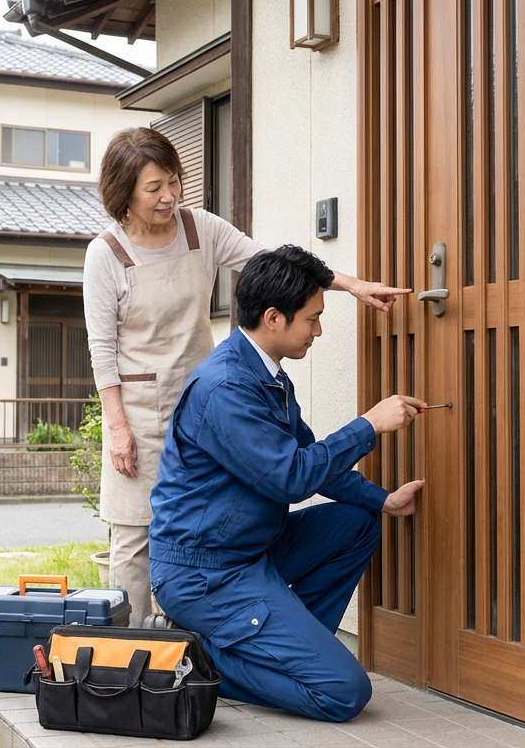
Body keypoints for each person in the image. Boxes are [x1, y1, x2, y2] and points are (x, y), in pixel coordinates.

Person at [83, 127, 408, 626]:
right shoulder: (105, 254)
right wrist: (118, 426)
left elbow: (271, 265)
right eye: (154, 187)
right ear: (124, 191)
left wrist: (352, 285)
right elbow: (101, 347)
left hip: (209, 402)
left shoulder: (200, 228)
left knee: (216, 522)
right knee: (134, 537)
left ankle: (212, 638)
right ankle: (128, 655)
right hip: (139, 412)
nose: (169, 196)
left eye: (174, 181)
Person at [148, 245, 426, 722]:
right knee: (343, 692)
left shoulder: (267, 374)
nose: (318, 331)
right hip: (204, 573)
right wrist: (368, 425)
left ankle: (285, 648)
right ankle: (200, 657)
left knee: (356, 523)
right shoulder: (226, 388)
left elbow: (310, 459)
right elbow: (291, 477)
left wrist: (383, 500)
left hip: (250, 552)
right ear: (273, 318)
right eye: (312, 319)